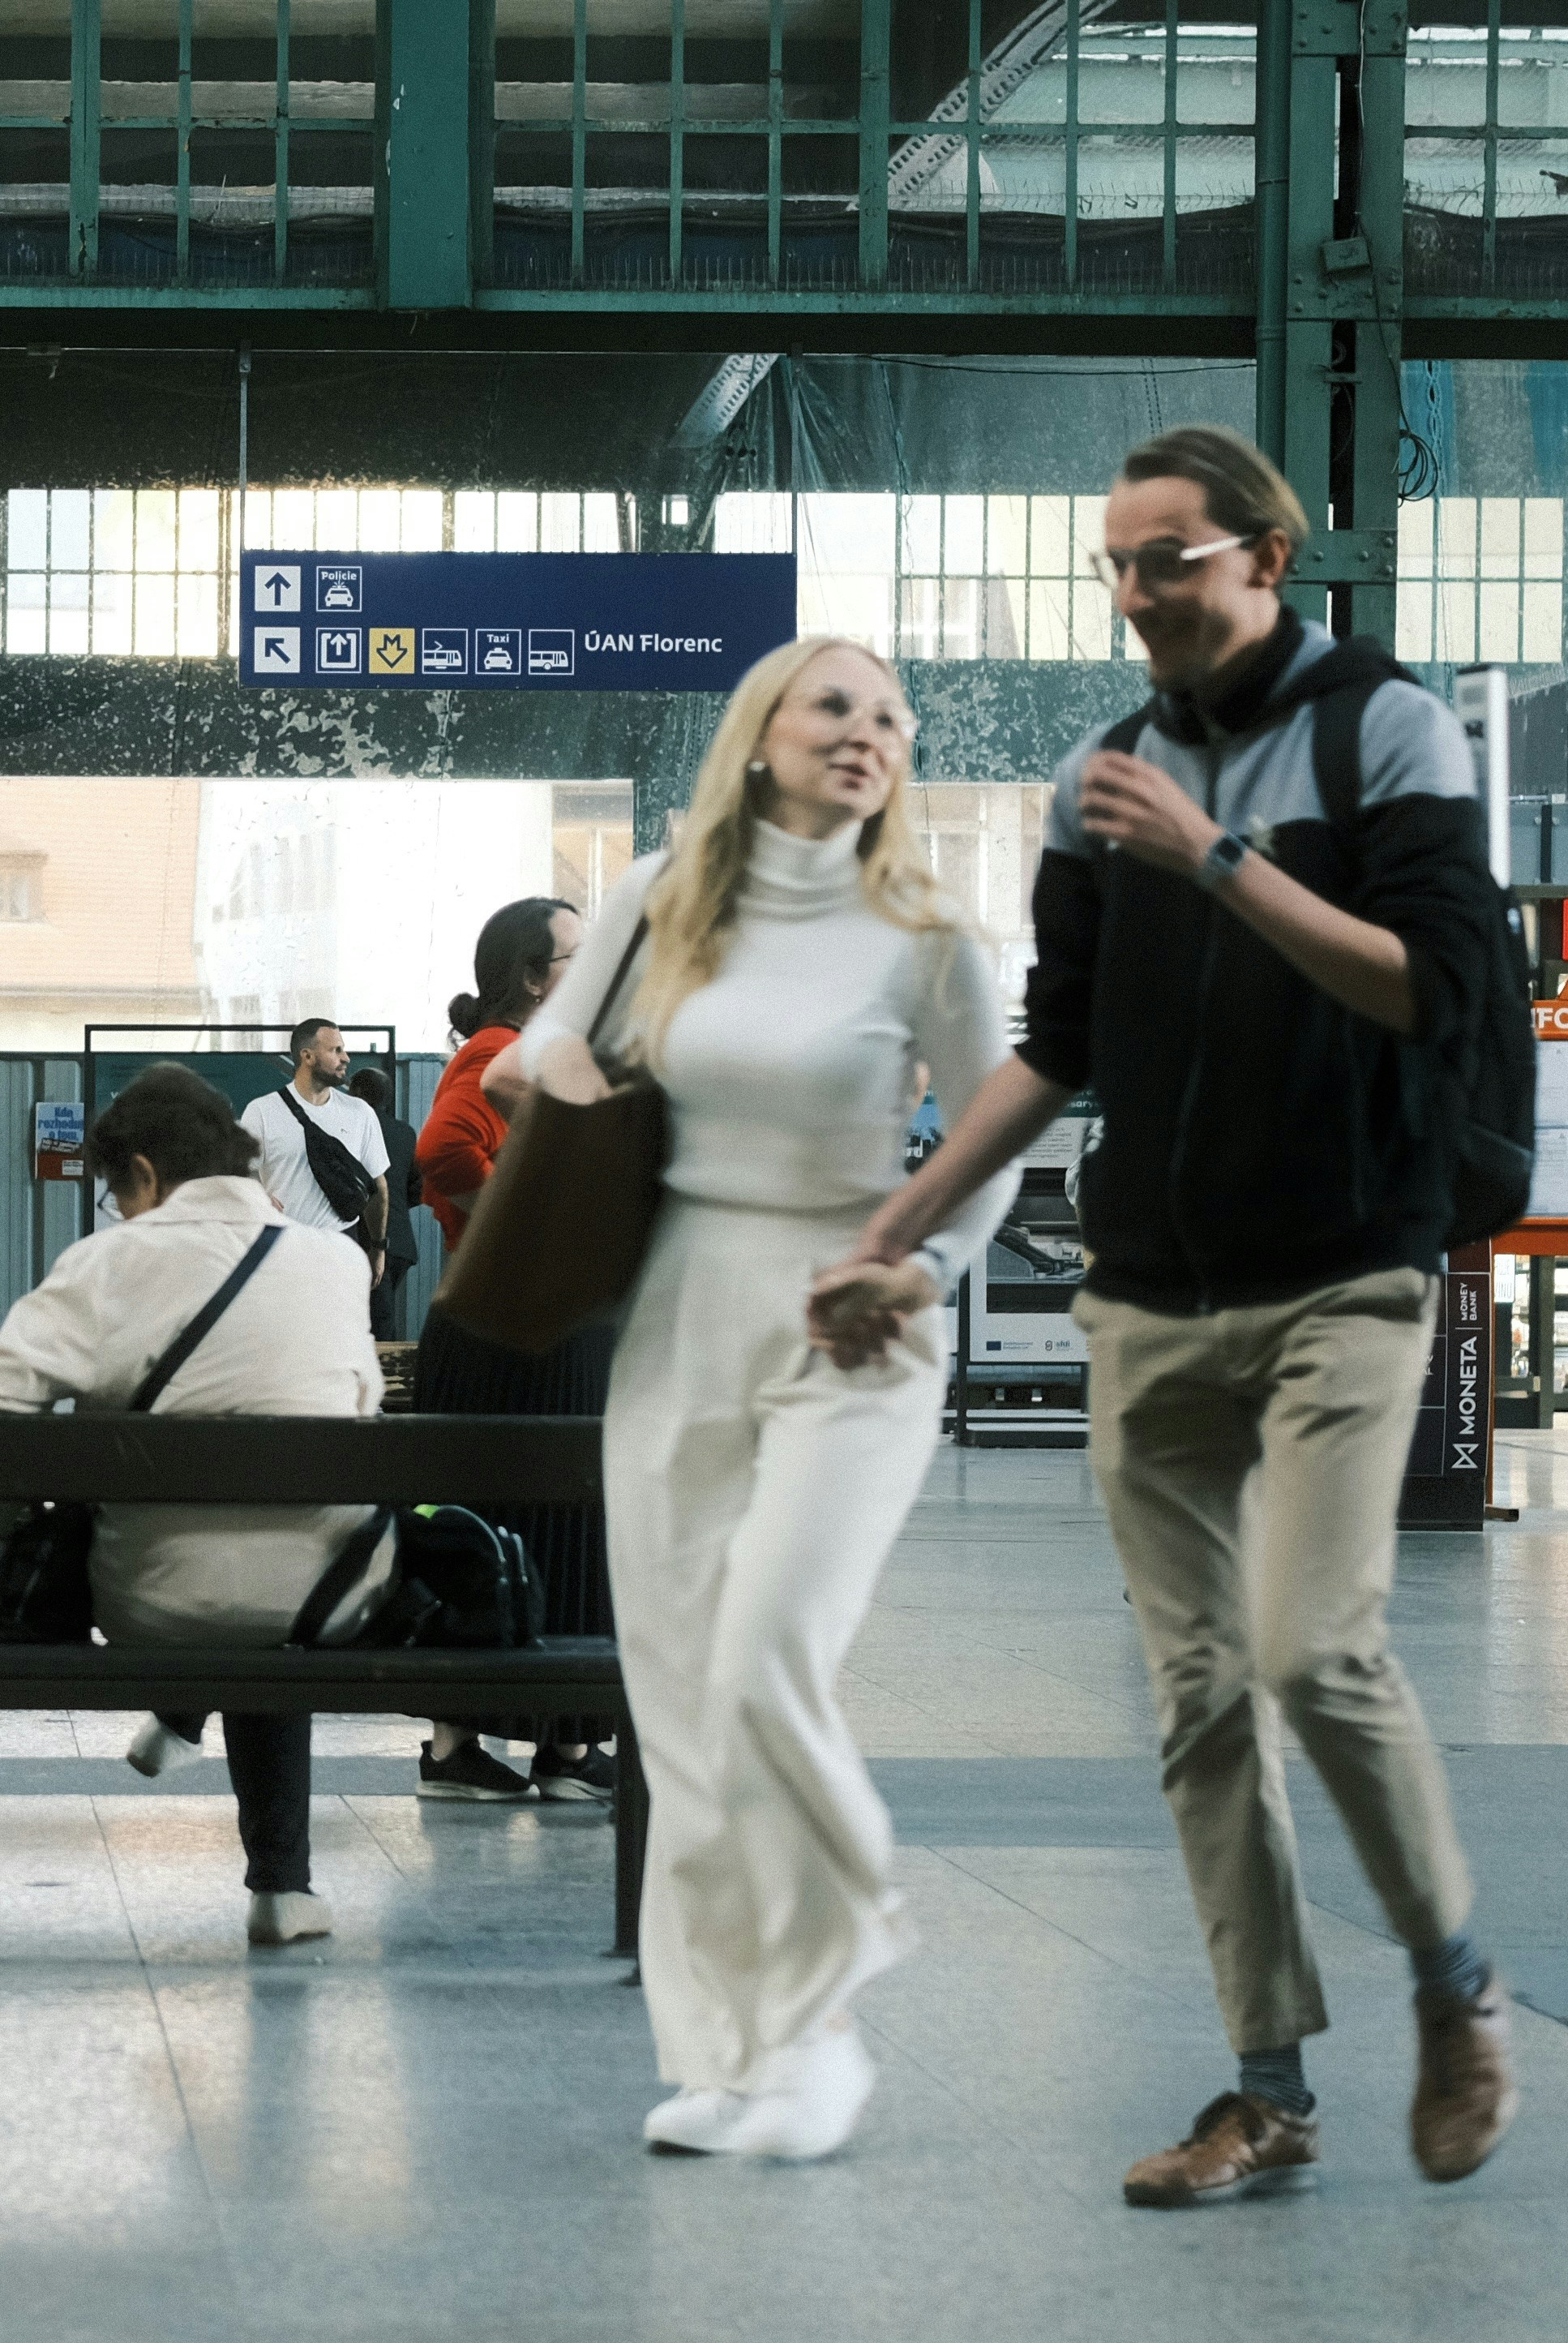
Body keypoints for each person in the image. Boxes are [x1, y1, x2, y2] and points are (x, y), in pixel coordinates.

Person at [820, 425, 1519, 2205]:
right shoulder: (1098, 777)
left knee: (1313, 1648)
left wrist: (1214, 857)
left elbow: (1428, 990)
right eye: (1115, 566)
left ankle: (1452, 1981)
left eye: (1169, 559)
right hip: (1150, 1289)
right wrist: (897, 1222)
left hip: (1343, 1265)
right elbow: (1057, 1045)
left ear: (1264, 557)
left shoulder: (1382, 733)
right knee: (1198, 1700)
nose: (1135, 595)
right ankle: (1265, 2087)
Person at [496, 633, 1013, 2161]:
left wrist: (921, 1267)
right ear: (761, 732)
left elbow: (988, 1135)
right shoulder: (669, 892)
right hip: (680, 1305)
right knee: (677, 1699)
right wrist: (563, 1077)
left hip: (851, 1320)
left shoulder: (923, 929)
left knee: (764, 1655)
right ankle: (731, 2051)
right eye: (833, 704)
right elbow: (544, 1045)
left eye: (891, 717)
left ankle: (824, 2006)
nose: (867, 731)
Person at [0, 1064, 380, 1947]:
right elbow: (359, 1411)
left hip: (153, 1597)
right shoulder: (336, 1261)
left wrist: (6, 1524)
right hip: (327, 1593)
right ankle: (282, 1889)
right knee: (267, 1580)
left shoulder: (111, 1261)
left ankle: (184, 1704)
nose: (120, 1212)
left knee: (204, 1569)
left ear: (142, 1174)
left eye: (118, 1195)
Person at [409, 897, 617, 1804]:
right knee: (515, 1525)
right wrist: (525, 1221)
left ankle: (550, 1745)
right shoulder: (498, 1052)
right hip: (514, 1331)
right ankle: (486, 1745)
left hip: (530, 1329)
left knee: (536, 1528)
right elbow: (442, 1150)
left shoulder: (541, 1052)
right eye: (577, 953)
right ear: (533, 977)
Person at [240, 1019, 393, 1286]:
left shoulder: (360, 1113)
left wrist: (378, 1248)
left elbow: (378, 1188)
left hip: (341, 1247)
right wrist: (259, 1196)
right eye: (336, 1050)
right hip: (282, 1248)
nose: (346, 1058)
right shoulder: (262, 1111)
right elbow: (241, 1175)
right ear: (307, 1056)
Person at [340, 1063, 420, 1343]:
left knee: (373, 1324)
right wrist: (394, 1210)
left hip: (367, 1241)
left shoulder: (348, 1129)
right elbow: (418, 1187)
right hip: (401, 1244)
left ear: (359, 1093)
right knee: (379, 1319)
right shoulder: (405, 1133)